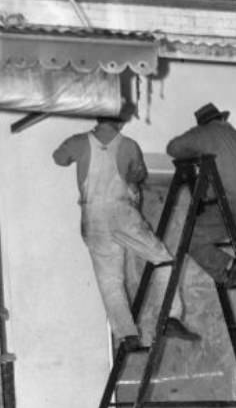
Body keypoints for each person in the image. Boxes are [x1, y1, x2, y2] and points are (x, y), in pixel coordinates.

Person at [53, 105, 199, 351]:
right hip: (121, 212)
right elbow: (138, 175)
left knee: (110, 281)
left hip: (92, 216)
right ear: (120, 122)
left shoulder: (79, 142)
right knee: (163, 260)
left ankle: (127, 335)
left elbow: (59, 159)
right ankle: (170, 317)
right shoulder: (129, 146)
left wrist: (79, 147)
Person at [166, 103, 236, 321]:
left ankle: (225, 266)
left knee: (188, 238)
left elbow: (173, 148)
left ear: (203, 123)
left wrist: (195, 150)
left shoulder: (204, 134)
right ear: (223, 119)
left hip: (227, 203)